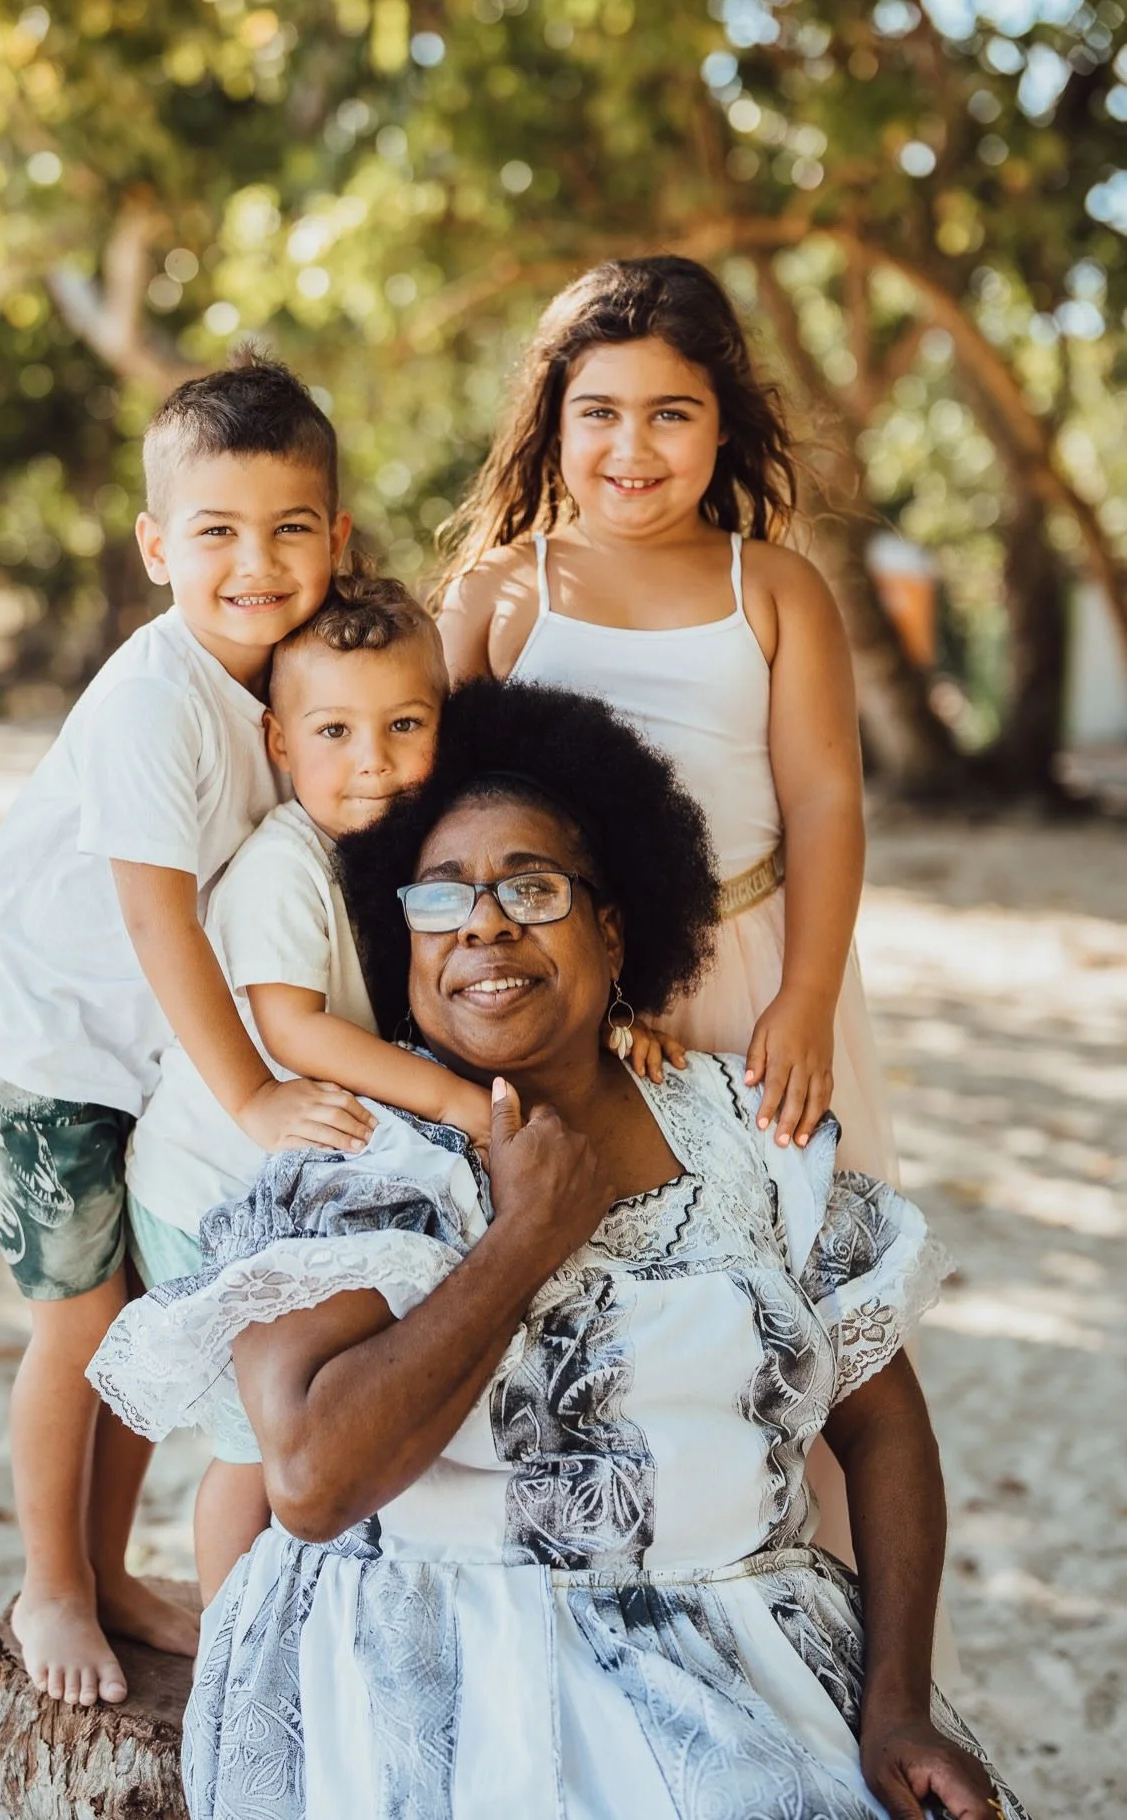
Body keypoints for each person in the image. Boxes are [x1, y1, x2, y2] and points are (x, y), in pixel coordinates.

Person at [88, 680, 1028, 1820]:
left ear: (612, 927)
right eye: (441, 897)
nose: (484, 924)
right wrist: (527, 1232)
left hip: (760, 1653)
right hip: (440, 1668)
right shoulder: (350, 1154)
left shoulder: (744, 1133)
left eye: (531, 888)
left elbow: (883, 1425)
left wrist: (897, 1706)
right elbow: (311, 1483)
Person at [0, 352, 373, 1707]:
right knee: (80, 1327)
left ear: (337, 537)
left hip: (136, 1055)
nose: (256, 562)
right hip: (40, 1054)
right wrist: (252, 1099)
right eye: (216, 531)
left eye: (289, 528)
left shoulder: (294, 676)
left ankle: (111, 1568)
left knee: (140, 1324)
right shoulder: (155, 698)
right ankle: (52, 1586)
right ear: (154, 547)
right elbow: (157, 920)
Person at [436, 255, 893, 1180]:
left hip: (754, 969)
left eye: (670, 414)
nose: (631, 448)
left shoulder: (774, 589)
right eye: (598, 412)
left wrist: (806, 997)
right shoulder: (497, 596)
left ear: (722, 423)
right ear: (552, 423)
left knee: (790, 1223)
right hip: (559, 982)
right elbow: (440, 812)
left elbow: (823, 803)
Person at [124, 569, 491, 1598]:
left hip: (288, 1193)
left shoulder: (403, 846)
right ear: (278, 742)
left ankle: (308, 1607)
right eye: (333, 731)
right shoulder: (287, 865)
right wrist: (455, 1104)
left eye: (404, 725)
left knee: (326, 1415)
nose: (373, 761)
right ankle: (229, 1639)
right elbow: (293, 1027)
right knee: (254, 1447)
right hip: (209, 1193)